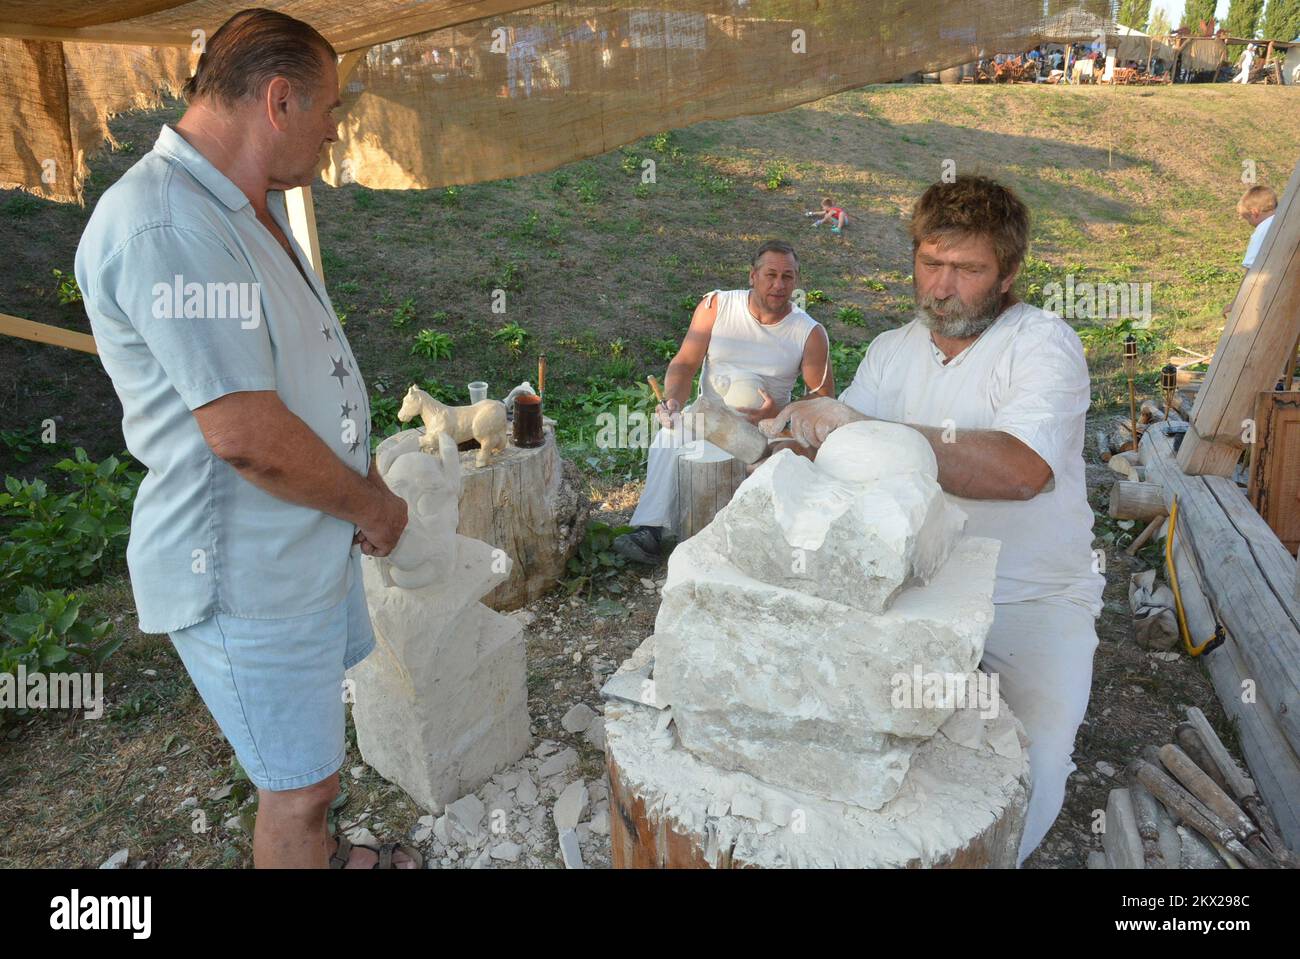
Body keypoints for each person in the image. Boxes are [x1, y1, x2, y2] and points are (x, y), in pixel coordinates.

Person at [74, 9, 419, 869]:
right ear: (279, 100)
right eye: (330, 109)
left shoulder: (237, 205)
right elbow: (245, 436)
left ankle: (324, 856)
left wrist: (358, 482)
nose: (334, 130)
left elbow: (291, 376)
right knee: (297, 789)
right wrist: (371, 504)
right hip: (244, 567)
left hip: (296, 543)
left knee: (311, 769)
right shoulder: (168, 225)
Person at [761, 175, 1105, 866]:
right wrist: (789, 438)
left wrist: (860, 427)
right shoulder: (893, 349)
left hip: (1027, 596)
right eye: (929, 262)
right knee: (855, 742)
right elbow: (846, 454)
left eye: (967, 269)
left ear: (1008, 272)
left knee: (1027, 765)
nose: (941, 288)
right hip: (913, 585)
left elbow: (1020, 470)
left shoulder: (1041, 344)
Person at [612, 240, 833, 564]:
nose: (779, 284)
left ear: (796, 280)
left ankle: (751, 545)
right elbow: (685, 363)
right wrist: (672, 401)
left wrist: (780, 414)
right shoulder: (717, 306)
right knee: (669, 435)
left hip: (766, 428)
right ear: (752, 275)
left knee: (775, 464)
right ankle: (650, 531)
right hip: (709, 417)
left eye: (788, 276)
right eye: (770, 275)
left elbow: (823, 399)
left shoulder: (809, 332)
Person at [1239, 185, 1277, 269]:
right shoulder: (1285, 219)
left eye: (1247, 218)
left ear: (1254, 212)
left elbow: (1251, 264)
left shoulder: (1262, 230)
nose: (1249, 223)